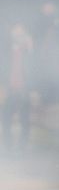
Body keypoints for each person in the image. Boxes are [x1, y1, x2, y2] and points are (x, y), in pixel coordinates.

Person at [1, 23, 33, 152]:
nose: (17, 36)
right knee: (6, 118)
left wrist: (30, 48)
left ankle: (22, 147)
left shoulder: (28, 51)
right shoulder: (5, 50)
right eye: (15, 33)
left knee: (24, 120)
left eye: (20, 34)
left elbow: (35, 70)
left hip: (24, 90)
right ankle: (8, 146)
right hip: (9, 89)